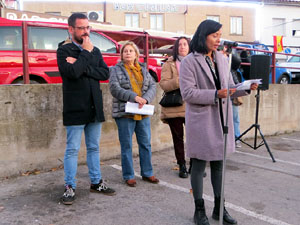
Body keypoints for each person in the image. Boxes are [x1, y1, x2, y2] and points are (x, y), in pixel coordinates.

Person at [179, 20, 258, 225]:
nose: (218, 39)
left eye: (220, 35)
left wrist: (247, 87)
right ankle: (199, 210)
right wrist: (215, 94)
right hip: (201, 119)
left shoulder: (222, 59)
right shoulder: (190, 61)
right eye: (214, 35)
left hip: (222, 119)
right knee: (198, 164)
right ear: (203, 35)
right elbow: (187, 93)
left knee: (219, 164)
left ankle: (219, 207)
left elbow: (230, 87)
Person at [57, 13, 116, 205]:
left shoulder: (94, 50)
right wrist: (84, 54)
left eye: (88, 28)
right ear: (71, 29)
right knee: (72, 149)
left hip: (94, 106)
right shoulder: (64, 50)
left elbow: (105, 72)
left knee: (94, 147)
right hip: (75, 107)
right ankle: (69, 186)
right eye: (81, 28)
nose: (86, 32)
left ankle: (96, 182)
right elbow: (72, 73)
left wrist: (84, 66)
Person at [109, 41, 159, 187]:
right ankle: (129, 175)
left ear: (136, 54)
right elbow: (114, 88)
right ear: (121, 54)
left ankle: (147, 173)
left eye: (131, 51)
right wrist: (134, 97)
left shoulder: (143, 69)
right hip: (125, 113)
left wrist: (146, 99)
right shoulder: (116, 70)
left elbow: (152, 85)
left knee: (145, 143)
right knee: (127, 145)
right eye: (125, 51)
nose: (128, 53)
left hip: (142, 112)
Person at [159, 37, 190, 178]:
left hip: (192, 105)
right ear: (176, 47)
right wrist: (180, 80)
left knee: (194, 137)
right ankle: (182, 164)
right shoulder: (169, 63)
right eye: (180, 44)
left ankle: (195, 165)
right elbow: (164, 84)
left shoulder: (195, 62)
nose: (182, 47)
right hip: (175, 106)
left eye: (185, 44)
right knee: (178, 138)